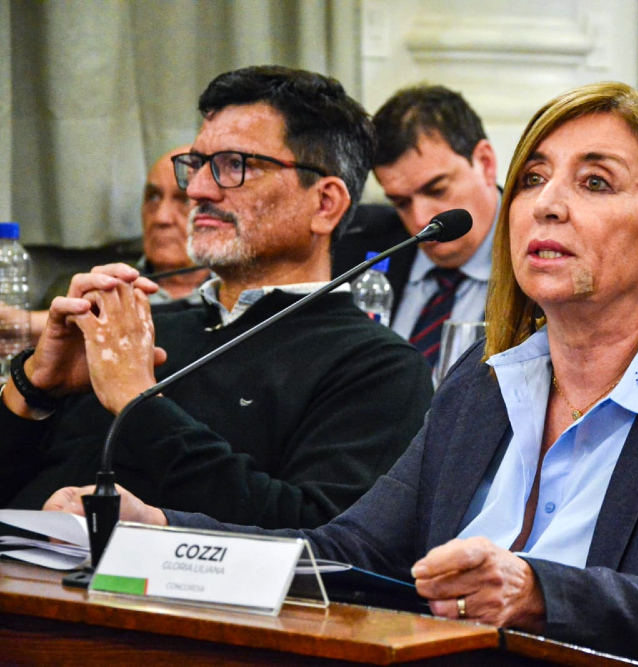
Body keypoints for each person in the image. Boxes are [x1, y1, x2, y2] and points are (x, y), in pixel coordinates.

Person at [45, 83, 638, 666]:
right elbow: (345, 553)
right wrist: (163, 533)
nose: (546, 206)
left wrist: (537, 591)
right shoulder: (481, 389)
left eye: (594, 182)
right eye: (532, 179)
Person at [1, 65, 433, 529]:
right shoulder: (148, 333)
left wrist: (136, 399)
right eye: (198, 165)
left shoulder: (378, 367)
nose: (200, 190)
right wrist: (33, 390)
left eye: (234, 166)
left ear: (325, 203)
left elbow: (319, 539)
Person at [333, 85, 500, 367]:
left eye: (437, 190)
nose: (421, 220)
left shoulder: (542, 253)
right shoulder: (353, 248)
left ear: (485, 163)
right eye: (401, 203)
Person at [18, 146, 211, 347]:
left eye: (183, 199)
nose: (161, 217)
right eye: (153, 197)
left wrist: (29, 325)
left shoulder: (232, 294)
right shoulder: (83, 291)